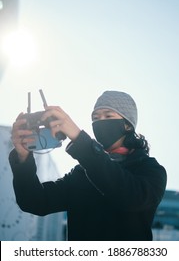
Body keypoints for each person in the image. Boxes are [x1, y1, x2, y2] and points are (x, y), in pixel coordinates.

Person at [9, 90, 167, 241]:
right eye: (95, 117)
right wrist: (23, 158)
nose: (99, 121)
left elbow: (131, 197)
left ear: (127, 124)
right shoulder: (81, 173)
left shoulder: (150, 169)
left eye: (108, 115)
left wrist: (79, 139)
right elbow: (35, 201)